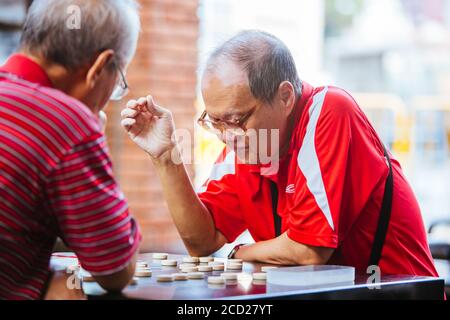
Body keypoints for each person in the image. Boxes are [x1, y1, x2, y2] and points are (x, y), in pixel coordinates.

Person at [121, 30, 439, 278]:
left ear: (285, 96)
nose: (226, 136)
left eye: (236, 120)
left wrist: (239, 252)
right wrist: (165, 157)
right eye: (214, 121)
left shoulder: (329, 111)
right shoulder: (245, 144)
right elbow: (203, 242)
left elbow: (309, 250)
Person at [0, 0, 141, 299]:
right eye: (119, 81)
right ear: (100, 66)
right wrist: (89, 139)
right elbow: (116, 268)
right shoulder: (67, 123)